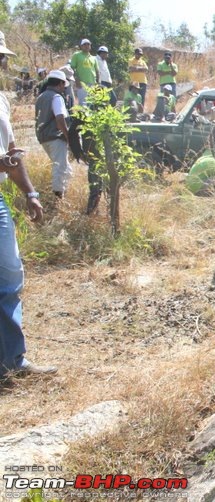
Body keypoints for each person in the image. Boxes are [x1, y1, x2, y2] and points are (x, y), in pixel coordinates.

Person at [0, 55, 53, 377]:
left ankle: (12, 361)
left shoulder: (2, 101)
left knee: (9, 278)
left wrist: (31, 193)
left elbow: (11, 153)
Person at [35, 70, 72, 199]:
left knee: (65, 168)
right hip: (55, 137)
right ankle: (58, 198)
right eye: (64, 84)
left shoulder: (41, 96)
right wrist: (68, 136)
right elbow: (60, 119)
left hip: (44, 138)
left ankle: (63, 194)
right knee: (60, 168)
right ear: (60, 83)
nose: (64, 88)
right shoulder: (56, 97)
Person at [69, 38, 99, 106]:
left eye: (88, 44)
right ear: (81, 46)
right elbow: (72, 68)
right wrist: (76, 80)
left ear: (90, 46)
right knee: (83, 104)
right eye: (84, 44)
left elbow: (97, 71)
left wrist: (98, 83)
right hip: (82, 84)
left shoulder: (94, 58)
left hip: (92, 84)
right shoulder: (77, 55)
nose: (86, 46)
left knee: (91, 104)